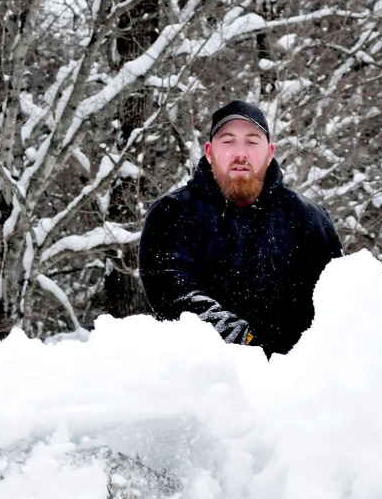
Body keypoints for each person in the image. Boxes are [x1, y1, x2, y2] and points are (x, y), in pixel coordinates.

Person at [138, 100, 342, 356]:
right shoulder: (173, 212)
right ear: (210, 151)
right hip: (206, 376)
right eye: (228, 141)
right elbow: (173, 293)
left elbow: (337, 301)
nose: (240, 154)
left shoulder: (309, 218)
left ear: (269, 153)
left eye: (252, 142)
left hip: (298, 375)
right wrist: (247, 343)